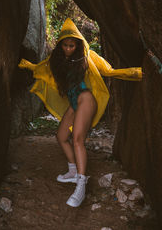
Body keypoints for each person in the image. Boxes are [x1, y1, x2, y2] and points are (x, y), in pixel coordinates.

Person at [18, 18, 142, 207]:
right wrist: (28, 65)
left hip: (86, 100)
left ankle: (81, 186)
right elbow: (42, 69)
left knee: (77, 140)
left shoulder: (88, 57)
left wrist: (136, 73)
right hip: (74, 104)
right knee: (60, 136)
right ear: (61, 46)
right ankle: (73, 171)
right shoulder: (56, 61)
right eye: (66, 45)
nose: (69, 49)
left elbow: (109, 71)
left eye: (72, 45)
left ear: (78, 45)